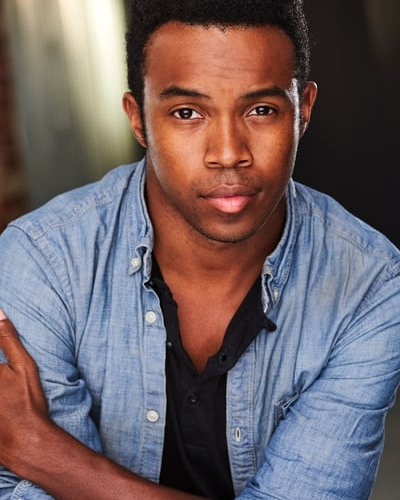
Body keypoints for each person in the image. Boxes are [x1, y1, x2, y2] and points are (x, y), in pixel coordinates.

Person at [0, 0, 399, 499]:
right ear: (138, 120)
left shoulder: (370, 286)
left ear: (304, 112)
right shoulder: (43, 261)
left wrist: (42, 451)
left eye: (261, 110)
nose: (228, 153)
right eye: (187, 113)